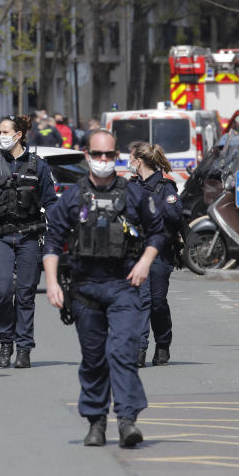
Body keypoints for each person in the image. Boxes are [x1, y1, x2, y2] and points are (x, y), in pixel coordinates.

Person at [42, 129, 164, 448]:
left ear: (117, 156)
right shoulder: (72, 196)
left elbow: (157, 233)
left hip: (124, 286)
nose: (104, 161)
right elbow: (53, 240)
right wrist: (52, 283)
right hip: (85, 289)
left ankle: (127, 422)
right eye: (98, 155)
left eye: (109, 155)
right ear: (88, 156)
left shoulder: (134, 194)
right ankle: (96, 422)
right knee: (94, 358)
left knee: (122, 353)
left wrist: (144, 263)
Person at [0, 115, 57, 369]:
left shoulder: (39, 166)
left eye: (4, 131)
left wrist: (61, 229)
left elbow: (51, 202)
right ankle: (5, 342)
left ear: (18, 135)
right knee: (2, 292)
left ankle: (24, 348)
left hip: (29, 236)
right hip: (0, 236)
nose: (0, 135)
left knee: (25, 295)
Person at [128, 142, 182, 367]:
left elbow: (175, 213)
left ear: (139, 161)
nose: (129, 163)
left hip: (160, 253)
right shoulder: (131, 185)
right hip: (136, 252)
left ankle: (163, 343)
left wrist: (150, 205)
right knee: (141, 300)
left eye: (131, 159)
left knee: (157, 302)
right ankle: (139, 349)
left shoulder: (165, 186)